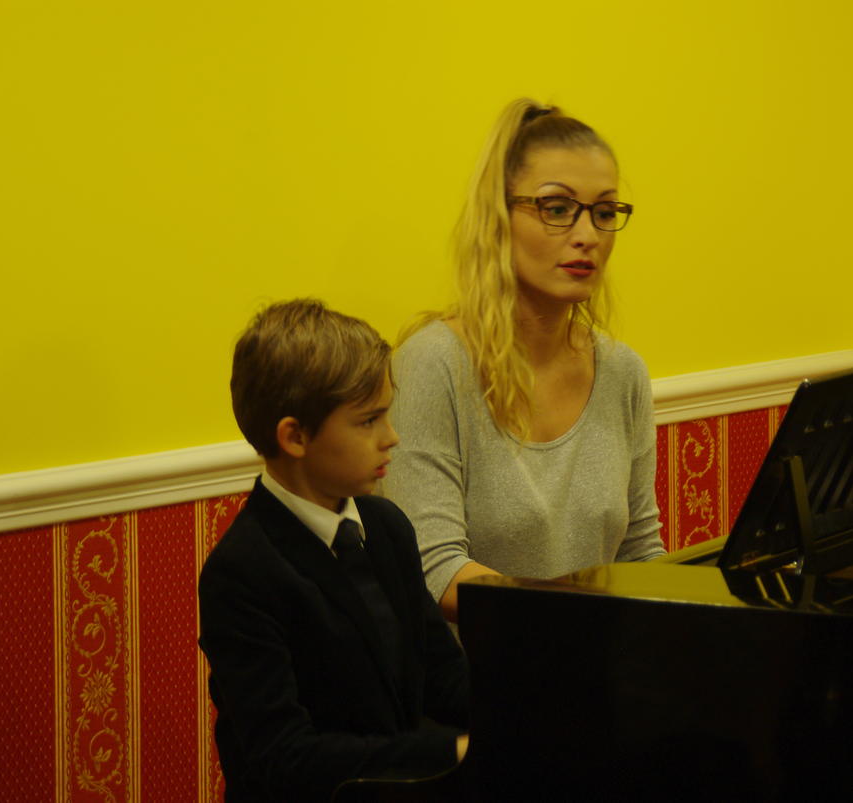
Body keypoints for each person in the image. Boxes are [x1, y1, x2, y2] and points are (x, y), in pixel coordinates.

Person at [387, 99, 665, 623]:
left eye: (605, 212)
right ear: (497, 217)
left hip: (599, 661)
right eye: (557, 209)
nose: (588, 235)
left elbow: (640, 550)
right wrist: (576, 619)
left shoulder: (623, 371)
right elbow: (435, 571)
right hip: (475, 670)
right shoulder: (432, 364)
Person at [199, 299, 469, 802]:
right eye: (369, 421)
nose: (392, 437)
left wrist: (528, 713)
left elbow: (441, 675)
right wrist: (446, 753)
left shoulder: (386, 527)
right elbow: (286, 756)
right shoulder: (242, 572)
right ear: (295, 436)